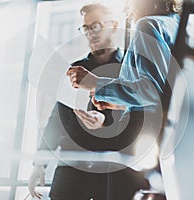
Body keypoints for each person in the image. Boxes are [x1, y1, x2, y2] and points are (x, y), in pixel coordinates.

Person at [28, 3, 149, 200]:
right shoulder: (75, 70)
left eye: (96, 26)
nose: (90, 33)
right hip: (73, 167)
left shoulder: (130, 70)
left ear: (114, 25)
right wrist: (39, 164)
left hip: (113, 171)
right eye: (85, 28)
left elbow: (139, 118)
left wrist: (105, 122)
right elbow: (56, 121)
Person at [67, 0, 182, 115]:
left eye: (128, 2)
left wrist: (95, 83)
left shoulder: (148, 24)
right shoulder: (176, 24)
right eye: (86, 29)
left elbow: (153, 92)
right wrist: (122, 104)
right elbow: (163, 95)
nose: (125, 10)